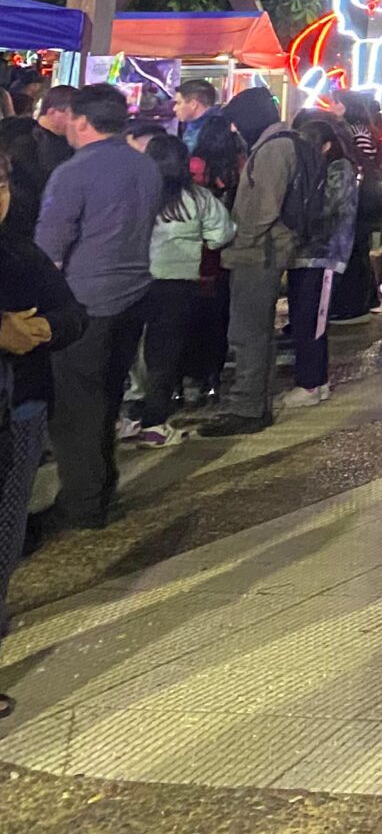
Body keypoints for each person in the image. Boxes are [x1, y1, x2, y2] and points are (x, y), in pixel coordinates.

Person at [33, 87, 160, 530]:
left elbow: (49, 249)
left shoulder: (73, 172)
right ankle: (101, 486)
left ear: (82, 121)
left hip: (84, 301)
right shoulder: (145, 167)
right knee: (107, 396)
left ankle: (82, 502)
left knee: (74, 406)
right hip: (135, 292)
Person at [0, 141, 85, 708]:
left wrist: (44, 331)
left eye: (2, 182)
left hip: (20, 410)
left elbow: (72, 313)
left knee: (5, 537)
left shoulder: (19, 254)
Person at [196, 88, 299, 439]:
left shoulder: (272, 150)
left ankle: (247, 406)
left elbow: (262, 209)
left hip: (259, 252)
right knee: (254, 331)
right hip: (266, 249)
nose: (236, 131)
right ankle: (253, 402)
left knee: (248, 332)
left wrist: (237, 239)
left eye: (238, 123)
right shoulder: (282, 143)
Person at [126, 132, 233, 445]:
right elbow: (220, 234)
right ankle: (155, 424)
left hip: (134, 280)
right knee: (164, 354)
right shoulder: (198, 198)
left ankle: (130, 414)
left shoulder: (135, 195)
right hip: (177, 284)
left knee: (132, 351)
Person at [282, 111, 361, 407]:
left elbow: (327, 208)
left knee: (312, 320)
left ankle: (311, 383)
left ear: (326, 146)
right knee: (301, 318)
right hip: (302, 255)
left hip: (324, 256)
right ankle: (315, 381)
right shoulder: (313, 170)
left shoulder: (339, 169)